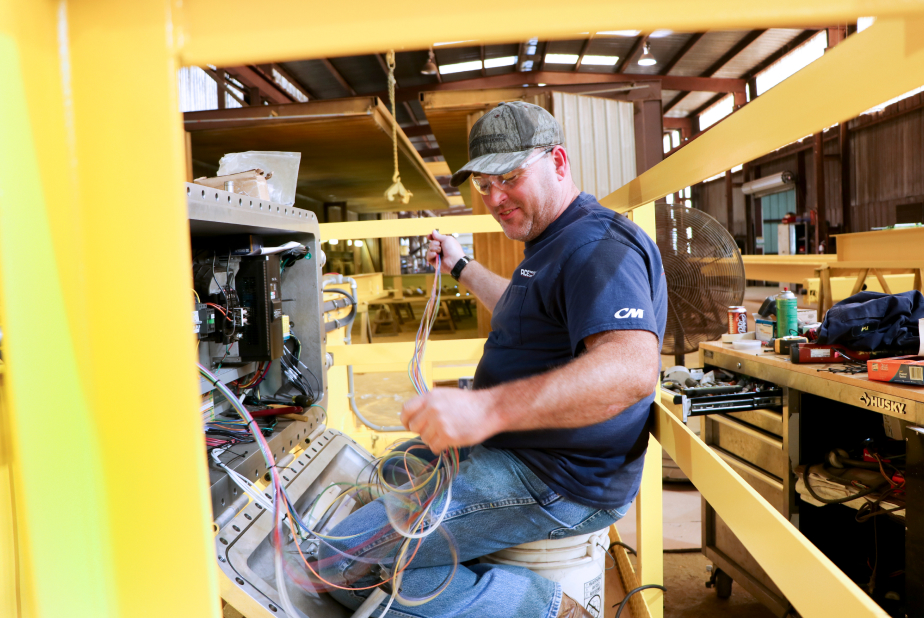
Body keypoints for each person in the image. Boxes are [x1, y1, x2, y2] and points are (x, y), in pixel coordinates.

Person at [322, 101, 667, 618]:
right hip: (517, 454)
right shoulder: (552, 241)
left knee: (330, 559)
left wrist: (487, 411)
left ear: (559, 161)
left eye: (509, 177)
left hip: (555, 479)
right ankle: (450, 579)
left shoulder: (597, 246)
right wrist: (462, 265)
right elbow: (523, 307)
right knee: (388, 473)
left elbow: (632, 367)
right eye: (483, 185)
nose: (496, 198)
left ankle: (547, 609)